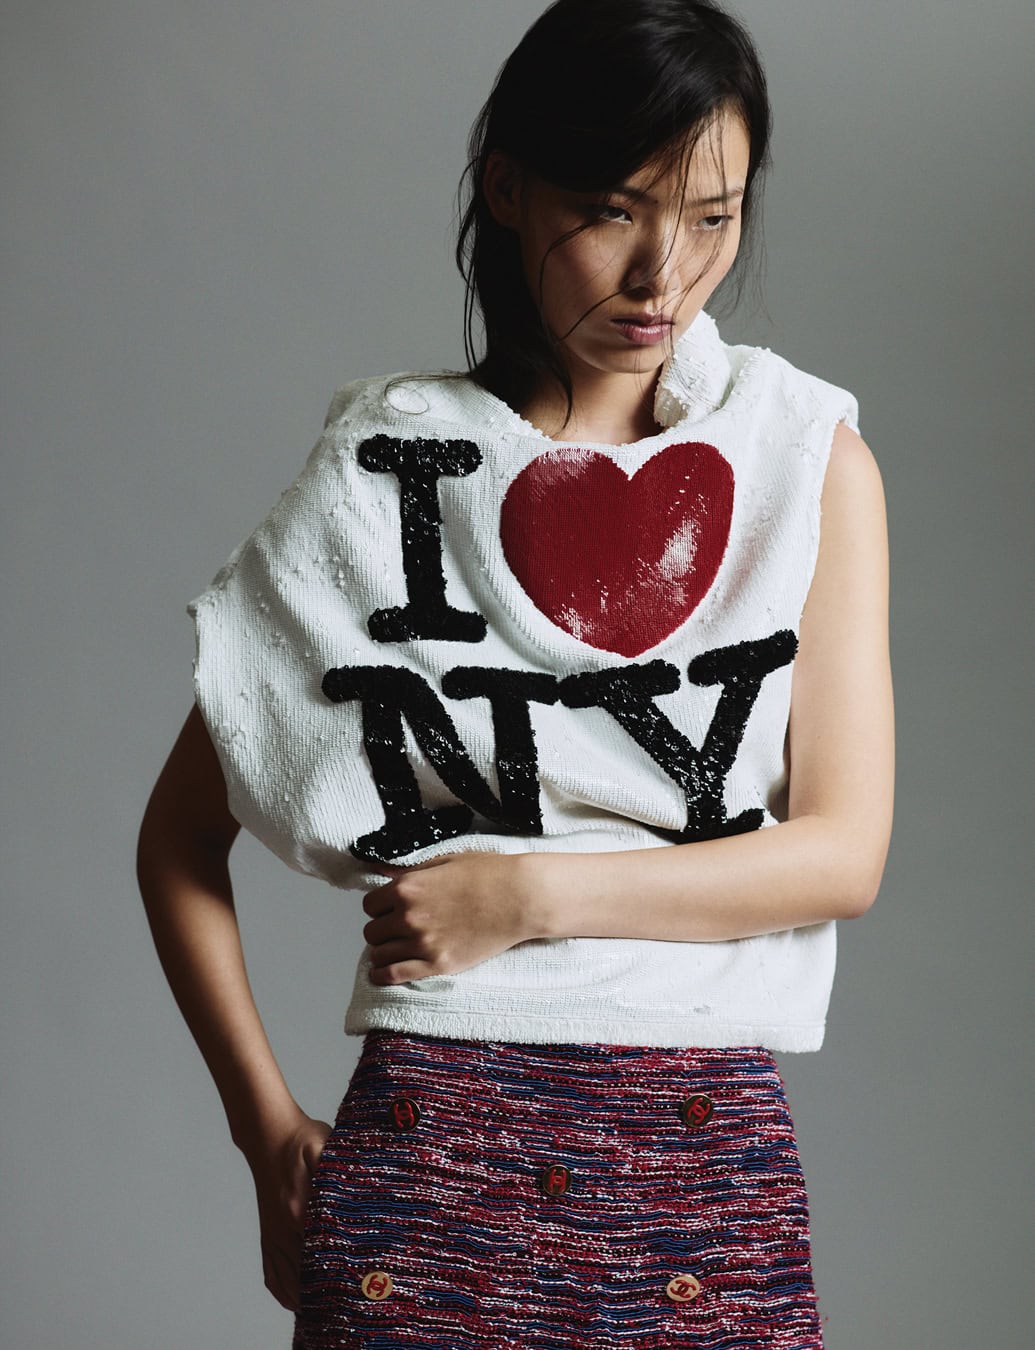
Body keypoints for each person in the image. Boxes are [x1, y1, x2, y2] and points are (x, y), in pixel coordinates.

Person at [136, 1, 894, 1346]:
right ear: (507, 188)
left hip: (699, 1171)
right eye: (612, 209)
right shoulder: (386, 470)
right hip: (427, 1168)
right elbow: (180, 837)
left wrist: (525, 893)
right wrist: (266, 1133)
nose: (664, 273)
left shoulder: (801, 458)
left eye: (713, 217)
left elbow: (842, 853)